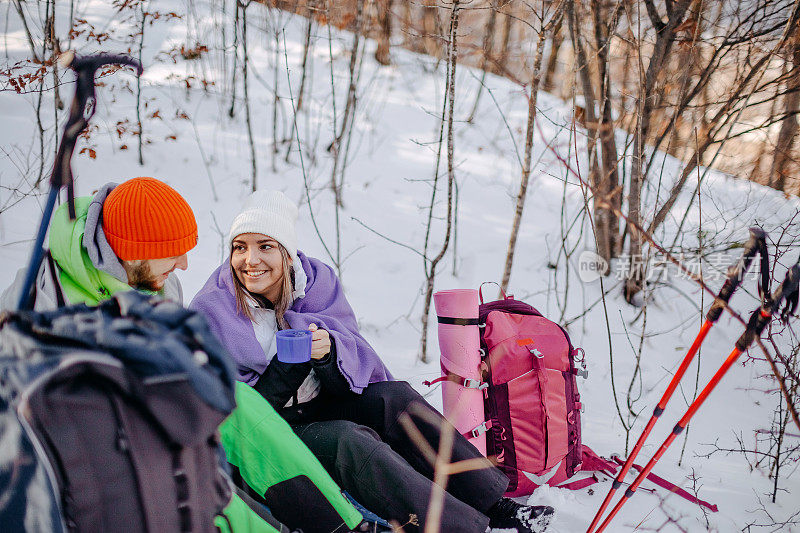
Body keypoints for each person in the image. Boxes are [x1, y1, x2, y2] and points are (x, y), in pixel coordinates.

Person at [190, 190, 556, 533]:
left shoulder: (315, 281)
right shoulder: (213, 309)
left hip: (320, 403)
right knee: (349, 440)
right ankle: (462, 527)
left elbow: (353, 360)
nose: (250, 261)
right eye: (240, 247)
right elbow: (240, 414)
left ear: (287, 254)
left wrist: (329, 354)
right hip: (273, 431)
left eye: (264, 246)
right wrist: (289, 365)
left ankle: (495, 504)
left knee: (394, 398)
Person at [1, 177, 195, 311]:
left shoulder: (165, 285)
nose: (184, 265)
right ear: (133, 254)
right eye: (172, 255)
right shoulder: (40, 295)